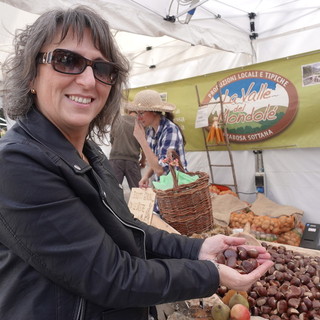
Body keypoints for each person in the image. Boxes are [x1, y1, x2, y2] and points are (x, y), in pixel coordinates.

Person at [0, 6, 274, 320]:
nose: (89, 80)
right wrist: (211, 274)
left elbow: (128, 229)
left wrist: (197, 249)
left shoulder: (89, 153)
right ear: (31, 73)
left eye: (103, 69)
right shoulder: (16, 164)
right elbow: (111, 277)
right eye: (67, 60)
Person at [130, 89, 187, 189]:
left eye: (141, 113)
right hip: (162, 190)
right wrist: (147, 176)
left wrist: (141, 140)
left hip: (176, 191)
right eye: (137, 113)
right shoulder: (151, 131)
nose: (138, 118)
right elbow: (156, 160)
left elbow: (161, 169)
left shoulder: (170, 130)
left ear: (154, 112)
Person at [109, 103, 146, 189]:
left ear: (128, 110)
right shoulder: (141, 124)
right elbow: (144, 145)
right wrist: (143, 160)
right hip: (132, 161)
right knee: (137, 191)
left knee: (114, 191)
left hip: (115, 160)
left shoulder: (117, 120)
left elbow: (112, 141)